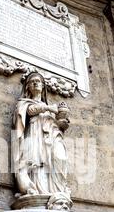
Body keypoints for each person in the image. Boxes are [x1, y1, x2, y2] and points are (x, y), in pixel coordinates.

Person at [12, 71, 71, 199]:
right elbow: (29, 111)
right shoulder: (24, 102)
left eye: (38, 81)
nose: (35, 83)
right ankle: (38, 191)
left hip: (51, 139)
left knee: (58, 158)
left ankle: (56, 190)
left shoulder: (49, 108)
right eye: (32, 82)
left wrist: (62, 124)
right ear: (27, 86)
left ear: (43, 86)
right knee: (36, 162)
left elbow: (56, 126)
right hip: (34, 135)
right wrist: (48, 108)